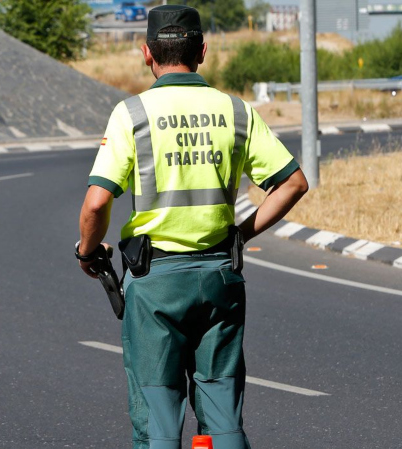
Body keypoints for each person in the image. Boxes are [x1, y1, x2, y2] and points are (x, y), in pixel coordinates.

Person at [75, 5, 308, 449]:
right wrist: (240, 235)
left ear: (147, 53)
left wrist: (88, 251)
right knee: (223, 419)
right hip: (220, 278)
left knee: (159, 420)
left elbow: (97, 202)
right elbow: (293, 183)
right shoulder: (236, 112)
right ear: (202, 51)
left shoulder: (132, 114)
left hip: (156, 287)